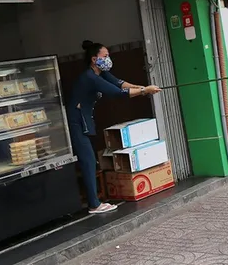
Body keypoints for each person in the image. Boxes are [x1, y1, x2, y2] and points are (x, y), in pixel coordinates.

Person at [67, 40, 161, 214]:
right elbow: (118, 93)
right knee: (88, 162)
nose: (108, 59)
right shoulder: (90, 78)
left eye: (109, 56)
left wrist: (141, 88)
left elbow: (120, 83)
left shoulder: (100, 74)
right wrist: (144, 91)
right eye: (105, 56)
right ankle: (94, 205)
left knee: (90, 161)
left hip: (84, 121)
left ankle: (95, 202)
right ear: (95, 59)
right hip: (77, 123)